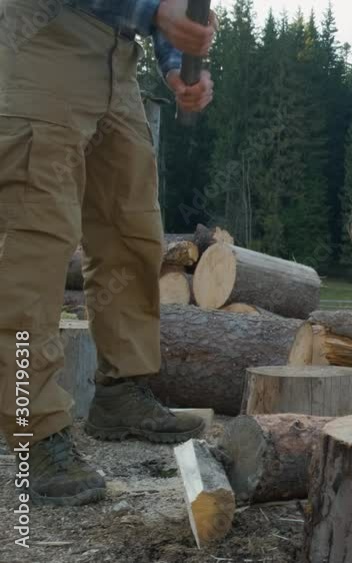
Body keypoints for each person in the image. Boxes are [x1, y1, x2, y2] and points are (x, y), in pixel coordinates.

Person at [0, 0, 215, 506]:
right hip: (41, 38)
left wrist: (174, 59)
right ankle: (36, 431)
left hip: (118, 56)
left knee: (131, 228)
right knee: (32, 244)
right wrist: (155, 10)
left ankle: (121, 391)